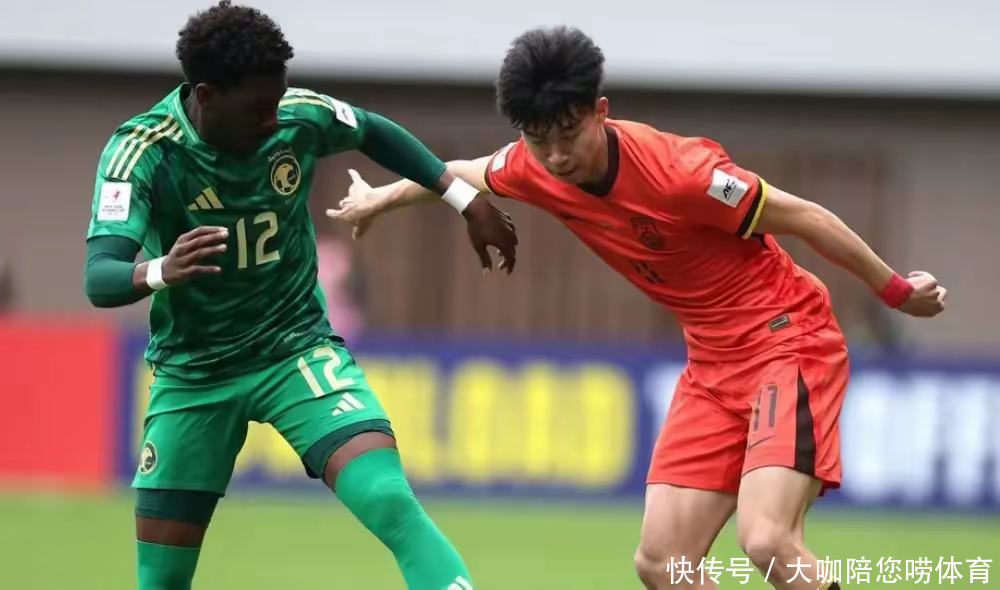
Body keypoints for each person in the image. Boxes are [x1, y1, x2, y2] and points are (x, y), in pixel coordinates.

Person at [328, 26, 947, 590]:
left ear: (600, 111)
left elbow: (807, 217)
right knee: (662, 562)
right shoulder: (535, 166)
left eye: (568, 135)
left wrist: (895, 291)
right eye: (539, 141)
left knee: (767, 540)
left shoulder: (684, 174)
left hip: (787, 342)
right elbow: (459, 172)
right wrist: (379, 198)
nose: (556, 157)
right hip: (712, 368)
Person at [82, 2, 515, 588]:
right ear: (206, 96)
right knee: (161, 580)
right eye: (258, 108)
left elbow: (373, 130)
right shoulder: (143, 152)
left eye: (279, 99)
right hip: (194, 374)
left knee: (389, 499)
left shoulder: (296, 113)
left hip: (296, 350)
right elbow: (100, 277)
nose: (274, 119)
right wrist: (160, 269)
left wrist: (465, 200)